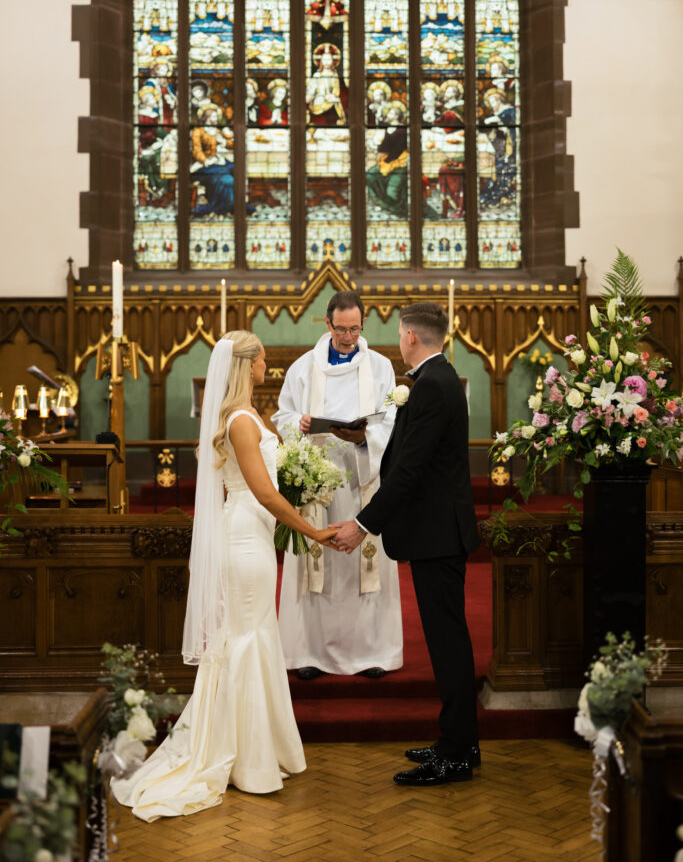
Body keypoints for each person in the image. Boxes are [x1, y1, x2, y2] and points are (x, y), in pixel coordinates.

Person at [111, 332, 336, 821]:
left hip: (252, 534)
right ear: (250, 364)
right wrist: (313, 533)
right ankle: (248, 761)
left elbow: (271, 488)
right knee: (246, 638)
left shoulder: (246, 415)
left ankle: (264, 750)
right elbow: (264, 493)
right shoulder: (239, 420)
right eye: (262, 360)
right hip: (244, 540)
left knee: (254, 636)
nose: (266, 366)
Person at [332, 302, 480, 787]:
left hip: (438, 534)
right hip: (435, 532)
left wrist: (363, 524)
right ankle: (456, 740)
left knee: (448, 643)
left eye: (399, 334)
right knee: (445, 641)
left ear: (412, 337)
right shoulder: (436, 380)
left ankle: (457, 754)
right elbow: (409, 455)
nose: (398, 341)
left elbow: (412, 470)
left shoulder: (434, 385)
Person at [272, 291, 403, 680]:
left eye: (355, 329)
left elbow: (393, 422)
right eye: (341, 329)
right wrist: (301, 424)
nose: (348, 337)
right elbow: (283, 415)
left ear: (363, 325)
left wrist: (363, 437)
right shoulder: (302, 368)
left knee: (366, 562)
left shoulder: (380, 368)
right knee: (320, 562)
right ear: (327, 324)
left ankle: (372, 651)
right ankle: (310, 652)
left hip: (364, 475)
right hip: (316, 481)